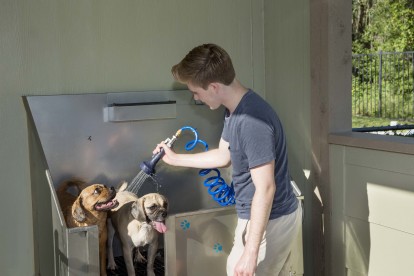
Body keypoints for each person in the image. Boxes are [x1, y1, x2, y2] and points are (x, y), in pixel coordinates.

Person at [154, 43, 302, 276]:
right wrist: (175, 159)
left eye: (196, 92)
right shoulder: (235, 110)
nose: (196, 97)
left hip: (271, 219)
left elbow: (265, 188)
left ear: (213, 86)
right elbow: (224, 156)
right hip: (262, 216)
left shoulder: (252, 120)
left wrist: (250, 253)